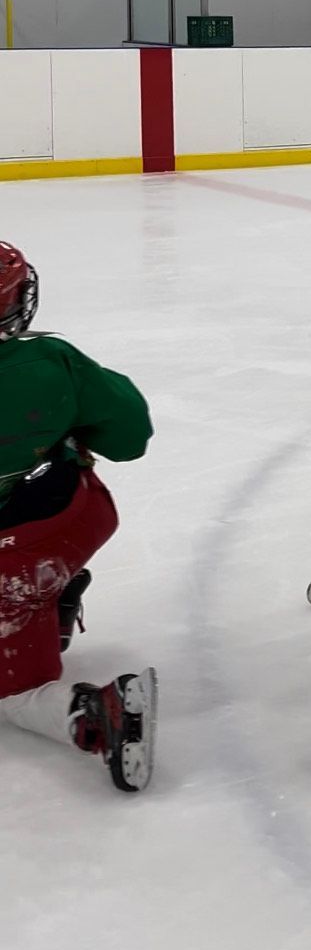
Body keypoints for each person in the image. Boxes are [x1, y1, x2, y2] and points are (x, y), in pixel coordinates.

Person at [0, 242, 156, 790]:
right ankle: (53, 593)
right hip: (76, 518)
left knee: (13, 692)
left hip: (14, 562)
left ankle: (98, 712)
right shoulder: (51, 362)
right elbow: (129, 436)